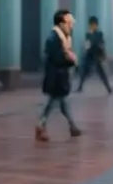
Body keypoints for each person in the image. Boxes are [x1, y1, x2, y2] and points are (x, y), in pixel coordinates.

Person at [35, 9, 81, 141]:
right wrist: (71, 60)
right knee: (53, 102)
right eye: (68, 22)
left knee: (61, 102)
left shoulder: (64, 38)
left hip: (60, 77)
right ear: (61, 24)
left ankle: (71, 126)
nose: (70, 25)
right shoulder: (54, 39)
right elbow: (57, 58)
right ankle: (41, 126)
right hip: (55, 77)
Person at [76, 16, 113, 94]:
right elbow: (86, 44)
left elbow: (101, 43)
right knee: (84, 71)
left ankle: (108, 88)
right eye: (91, 25)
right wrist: (86, 49)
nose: (92, 26)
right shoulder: (88, 34)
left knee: (101, 72)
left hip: (97, 55)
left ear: (96, 25)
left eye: (93, 25)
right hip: (89, 55)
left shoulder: (99, 34)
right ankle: (80, 86)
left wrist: (102, 53)